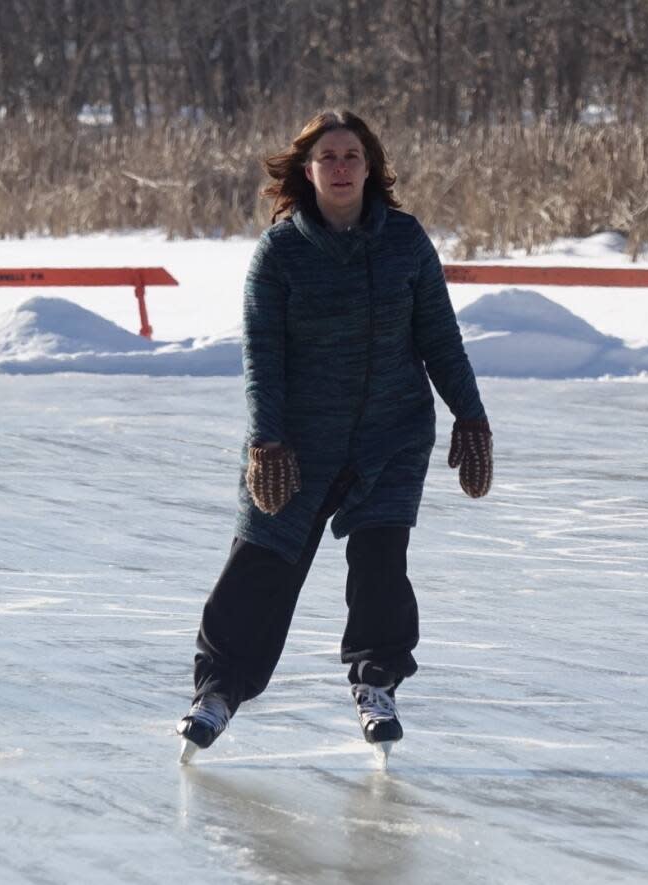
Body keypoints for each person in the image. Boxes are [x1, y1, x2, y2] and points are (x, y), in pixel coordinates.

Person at [177, 109, 493, 764]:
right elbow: (262, 356)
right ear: (308, 169)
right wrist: (267, 440)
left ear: (370, 165)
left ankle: (377, 683)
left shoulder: (404, 242)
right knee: (262, 560)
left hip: (393, 434)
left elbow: (439, 337)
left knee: (381, 560)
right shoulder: (282, 252)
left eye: (352, 155)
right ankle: (217, 691)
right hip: (298, 442)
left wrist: (470, 413)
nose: (342, 167)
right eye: (330, 157)